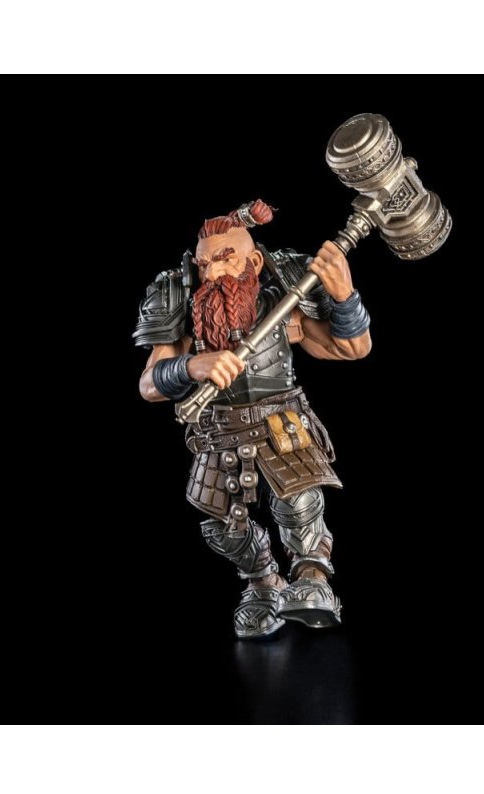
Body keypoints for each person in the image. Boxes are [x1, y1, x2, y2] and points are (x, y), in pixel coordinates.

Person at [134, 200, 371, 639]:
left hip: (281, 423)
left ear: (255, 262)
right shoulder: (183, 303)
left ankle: (312, 578)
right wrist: (191, 366)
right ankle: (263, 585)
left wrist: (344, 294)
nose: (214, 273)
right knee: (222, 528)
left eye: (226, 259)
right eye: (205, 264)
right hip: (219, 432)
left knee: (298, 504)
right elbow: (149, 384)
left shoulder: (283, 299)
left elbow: (351, 348)